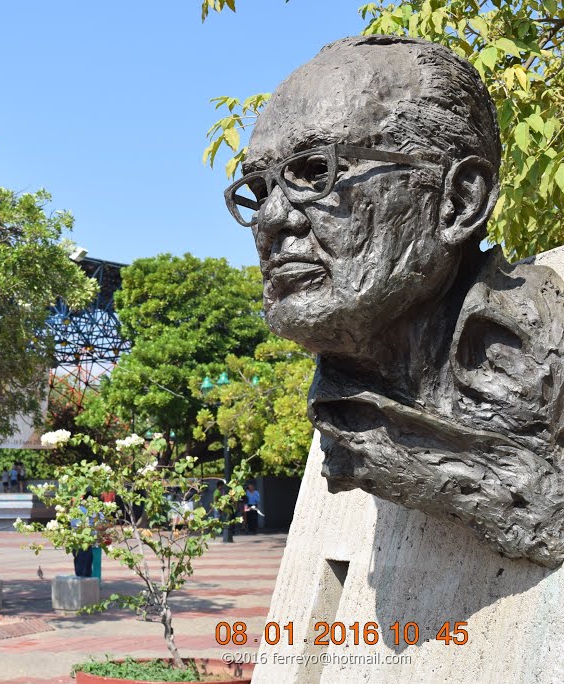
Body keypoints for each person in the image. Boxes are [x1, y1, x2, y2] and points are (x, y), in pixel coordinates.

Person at [226, 35, 564, 565]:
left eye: (317, 171)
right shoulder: (342, 416)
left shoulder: (548, 353)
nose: (272, 218)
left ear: (458, 202)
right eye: (259, 188)